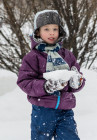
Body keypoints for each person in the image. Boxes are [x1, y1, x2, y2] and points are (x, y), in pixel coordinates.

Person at [17, 9, 85, 140]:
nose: (52, 33)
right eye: (46, 29)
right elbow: (24, 82)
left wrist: (77, 82)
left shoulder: (67, 55)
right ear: (38, 32)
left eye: (55, 29)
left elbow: (77, 76)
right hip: (42, 110)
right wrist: (45, 86)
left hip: (65, 109)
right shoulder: (33, 57)